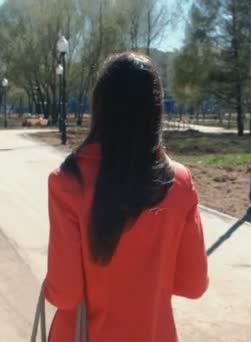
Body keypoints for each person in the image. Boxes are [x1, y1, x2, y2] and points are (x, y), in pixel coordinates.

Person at [45, 52, 209, 342]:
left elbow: (66, 295)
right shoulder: (179, 182)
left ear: (100, 107)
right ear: (156, 110)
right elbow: (193, 284)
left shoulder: (68, 181)